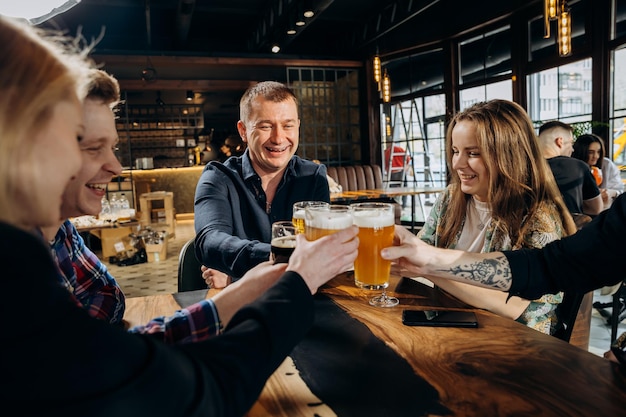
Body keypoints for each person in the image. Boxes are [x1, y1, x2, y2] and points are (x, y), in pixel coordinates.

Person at [0, 15, 359, 416]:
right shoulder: (16, 270)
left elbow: (120, 354)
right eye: (84, 143)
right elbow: (191, 393)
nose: (116, 166)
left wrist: (233, 297)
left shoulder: (56, 238)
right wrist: (295, 274)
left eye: (288, 124)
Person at [416, 100, 576, 334]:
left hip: (512, 344)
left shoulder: (537, 214)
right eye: (455, 151)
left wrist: (425, 266)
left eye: (473, 153)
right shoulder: (452, 197)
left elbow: (525, 310)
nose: (458, 164)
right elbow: (423, 247)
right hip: (449, 325)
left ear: (508, 155)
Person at [194, 81, 331, 285]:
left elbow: (321, 253)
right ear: (243, 131)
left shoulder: (313, 177)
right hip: (240, 306)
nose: (278, 138)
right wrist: (284, 258)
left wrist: (237, 273)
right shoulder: (218, 177)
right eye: (266, 126)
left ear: (298, 126)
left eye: (288, 125)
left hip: (299, 299)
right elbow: (209, 242)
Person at [538, 121, 603, 216]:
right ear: (559, 141)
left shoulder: (524, 167)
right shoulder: (578, 167)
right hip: (570, 229)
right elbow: (596, 209)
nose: (572, 150)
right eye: (571, 143)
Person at [572, 133, 623, 208]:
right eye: (590, 152)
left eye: (598, 152)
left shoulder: (607, 165)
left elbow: (620, 191)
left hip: (606, 209)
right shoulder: (573, 168)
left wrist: (609, 192)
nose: (596, 156)